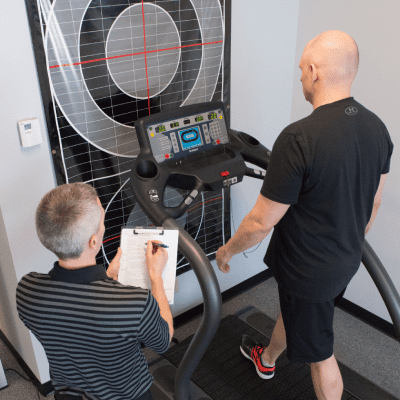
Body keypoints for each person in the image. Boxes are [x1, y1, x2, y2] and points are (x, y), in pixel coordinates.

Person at [216, 30, 393, 400]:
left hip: (309, 269)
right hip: (345, 258)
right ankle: (267, 358)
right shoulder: (378, 128)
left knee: (320, 356)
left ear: (314, 71)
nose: (299, 76)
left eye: (301, 69)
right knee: (295, 310)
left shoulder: (299, 137)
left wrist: (228, 251)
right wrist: (348, 242)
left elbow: (261, 221)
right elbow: (373, 201)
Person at [16, 183, 173, 400]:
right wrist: (156, 277)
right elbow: (163, 341)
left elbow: (75, 323)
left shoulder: (26, 290)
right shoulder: (135, 303)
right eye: (102, 220)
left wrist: (107, 280)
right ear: (93, 241)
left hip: (68, 395)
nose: (103, 222)